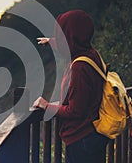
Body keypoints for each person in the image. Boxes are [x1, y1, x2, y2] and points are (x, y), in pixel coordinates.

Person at [33, 10, 109, 163]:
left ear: (70, 36)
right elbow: (72, 43)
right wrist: (51, 41)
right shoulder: (91, 54)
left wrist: (46, 106)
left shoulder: (79, 68)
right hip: (93, 135)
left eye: (62, 34)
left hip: (82, 140)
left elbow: (76, 111)